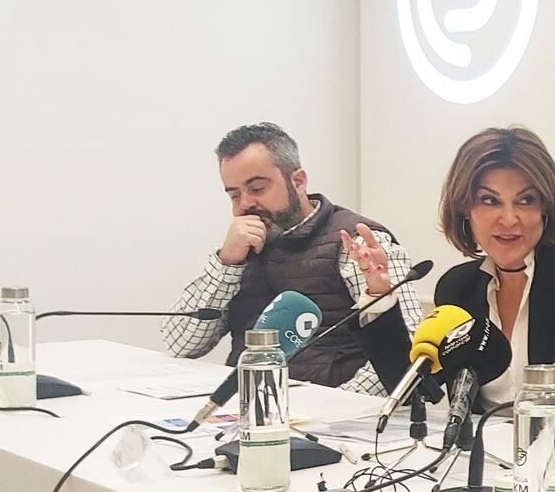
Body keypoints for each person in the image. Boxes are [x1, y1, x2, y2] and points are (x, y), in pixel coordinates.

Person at [361, 125, 555, 451]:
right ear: (466, 208)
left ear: (545, 208)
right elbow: (415, 393)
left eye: (525, 200)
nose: (509, 219)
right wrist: (380, 298)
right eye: (489, 200)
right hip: (493, 464)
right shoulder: (459, 287)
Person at [164, 122, 422, 391]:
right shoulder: (239, 250)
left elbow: (407, 346)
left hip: (333, 416)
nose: (245, 204)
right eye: (234, 195)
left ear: (297, 181)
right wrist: (226, 262)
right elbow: (180, 344)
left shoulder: (357, 242)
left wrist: (337, 408)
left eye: (257, 189)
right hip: (248, 405)